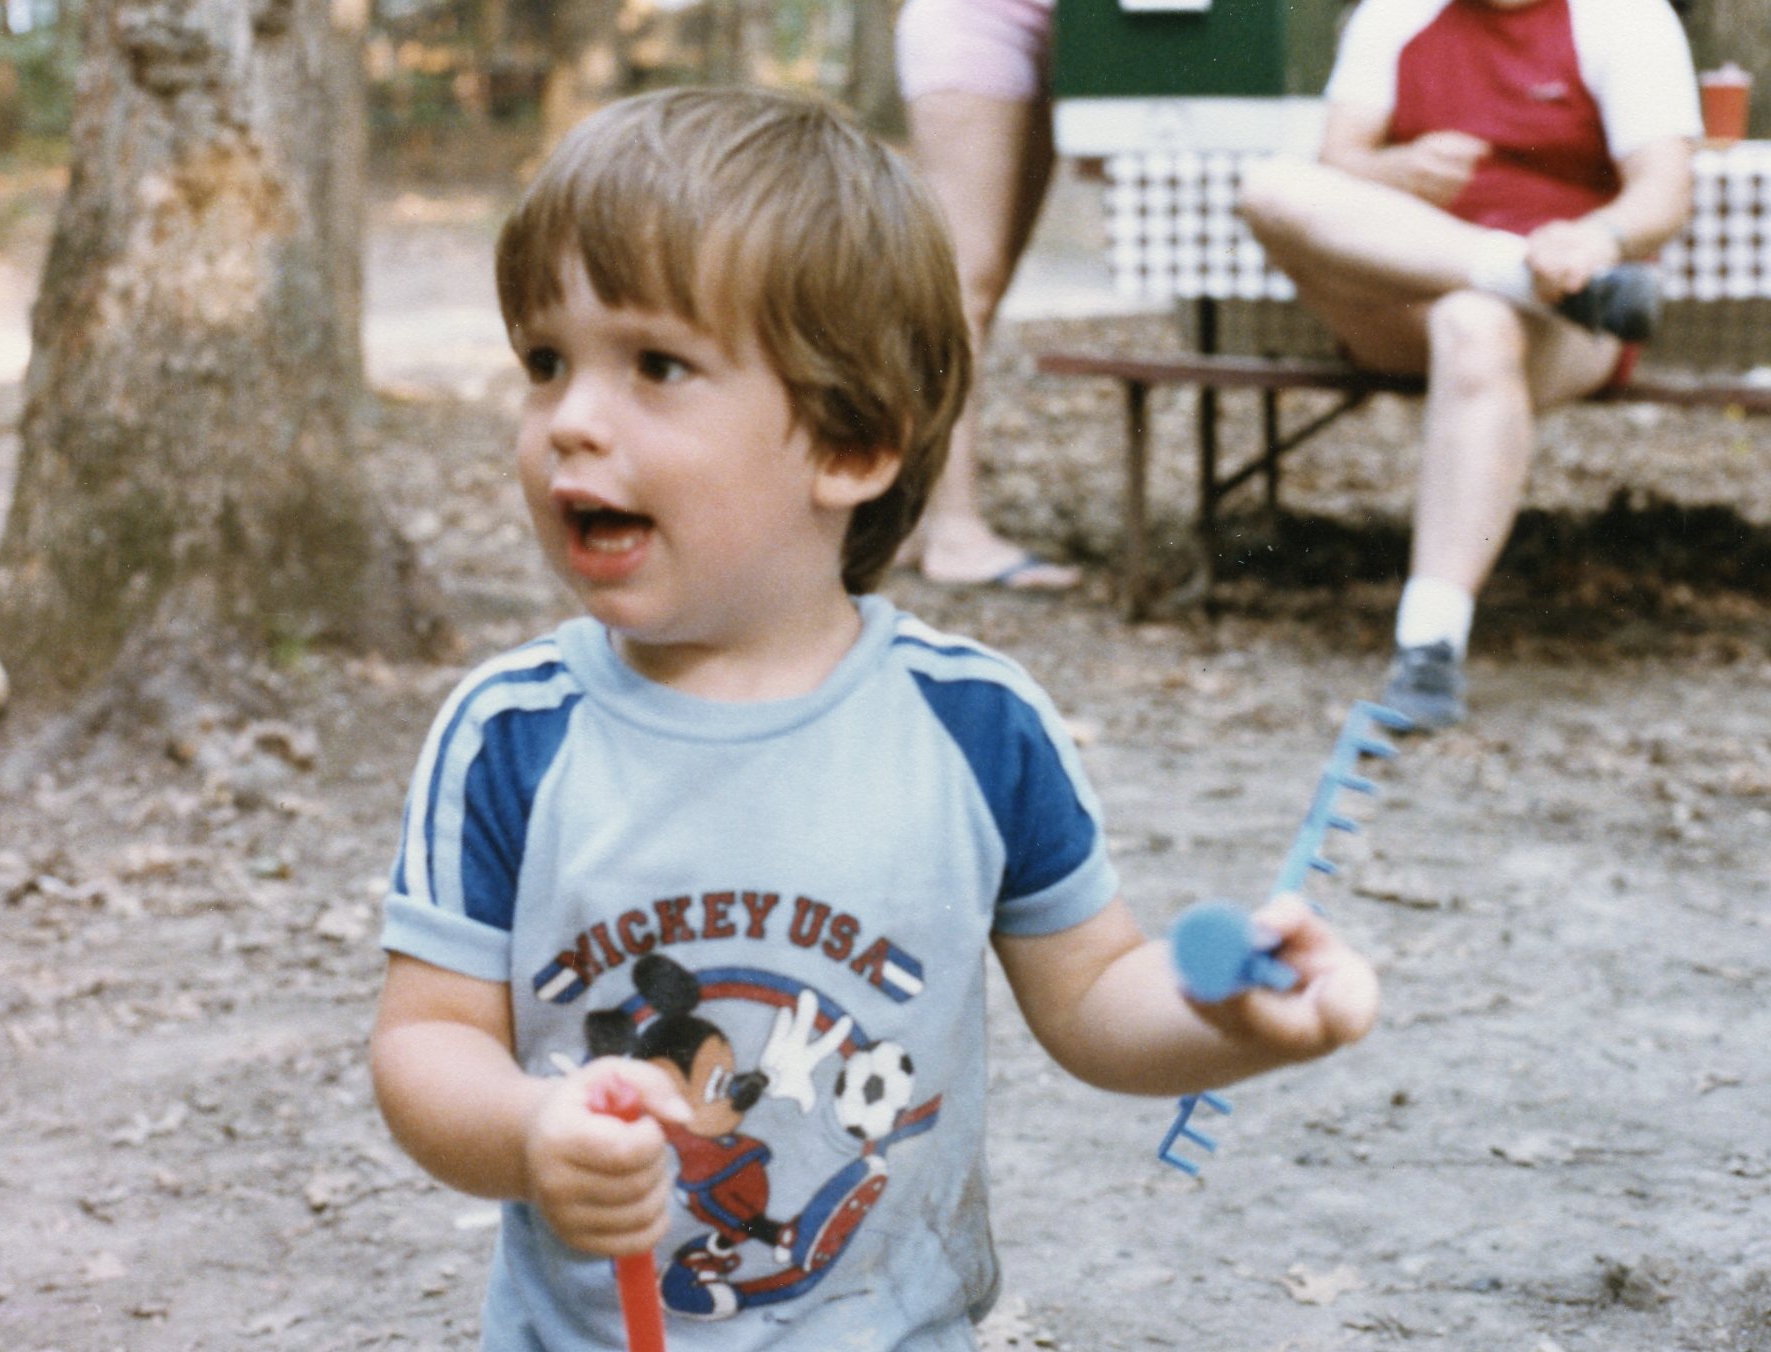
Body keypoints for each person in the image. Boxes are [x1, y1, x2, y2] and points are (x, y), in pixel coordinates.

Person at [369, 86, 1380, 1351]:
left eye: (657, 366)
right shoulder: (508, 735)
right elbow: (426, 1041)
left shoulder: (973, 728)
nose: (569, 418)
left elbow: (1095, 998)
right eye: (545, 363)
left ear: (848, 445)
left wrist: (1229, 1019)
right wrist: (529, 1131)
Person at [1239, 0, 1700, 731]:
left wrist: (1595, 240)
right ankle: (1514, 272)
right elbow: (1339, 161)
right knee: (1269, 187)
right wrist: (1393, 168)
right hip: (1407, 293)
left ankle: (1430, 641)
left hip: (1564, 313)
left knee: (1475, 323)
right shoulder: (1395, 13)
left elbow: (1665, 190)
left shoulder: (1622, 16)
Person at [893, 0, 1080, 590]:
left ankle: (913, 519)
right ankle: (955, 530)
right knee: (961, 288)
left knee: (980, 290)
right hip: (978, 21)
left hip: (1062, 33)